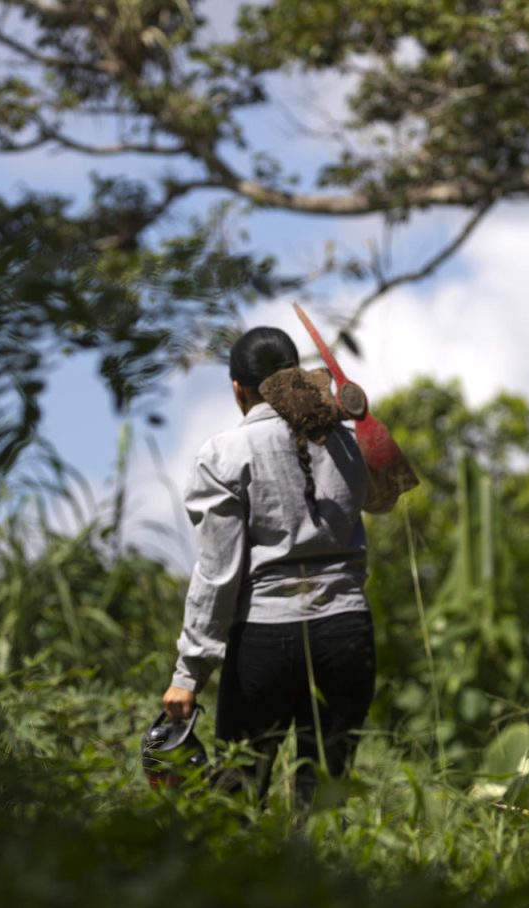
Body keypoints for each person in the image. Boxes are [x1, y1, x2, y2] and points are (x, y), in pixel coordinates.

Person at [161, 326, 376, 810]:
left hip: (266, 640)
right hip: (347, 632)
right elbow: (383, 495)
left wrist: (188, 673)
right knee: (322, 803)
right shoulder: (346, 441)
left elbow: (218, 573)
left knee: (236, 796)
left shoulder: (224, 454)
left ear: (237, 388)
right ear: (295, 376)